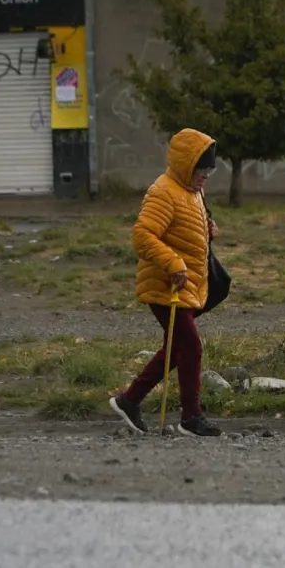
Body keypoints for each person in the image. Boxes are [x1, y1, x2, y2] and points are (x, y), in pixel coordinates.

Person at [109, 128, 222, 437]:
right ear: (188, 165)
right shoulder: (163, 191)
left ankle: (129, 400)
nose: (207, 176)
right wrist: (173, 263)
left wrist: (208, 229)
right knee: (191, 347)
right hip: (164, 286)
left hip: (184, 284)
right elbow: (142, 236)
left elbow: (184, 228)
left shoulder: (192, 190)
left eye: (210, 170)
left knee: (177, 348)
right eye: (203, 169)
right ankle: (191, 417)